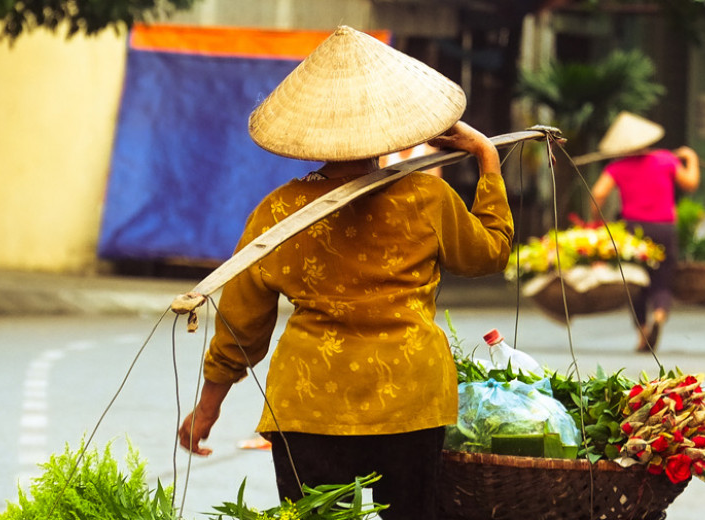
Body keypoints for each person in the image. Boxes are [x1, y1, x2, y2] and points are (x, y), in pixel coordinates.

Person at [175, 26, 512, 520]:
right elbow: (490, 255)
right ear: (392, 123)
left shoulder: (279, 212)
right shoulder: (427, 198)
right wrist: (486, 158)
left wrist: (208, 407)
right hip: (410, 402)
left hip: (309, 407)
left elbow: (239, 326)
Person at [588, 112, 700, 352]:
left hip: (633, 232)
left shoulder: (617, 167)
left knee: (636, 282)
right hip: (664, 229)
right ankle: (659, 316)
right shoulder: (666, 160)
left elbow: (598, 194)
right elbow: (690, 183)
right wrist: (691, 158)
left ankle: (642, 333)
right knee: (662, 281)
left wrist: (597, 220)